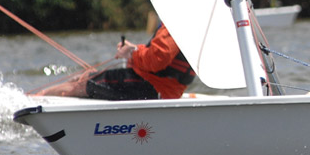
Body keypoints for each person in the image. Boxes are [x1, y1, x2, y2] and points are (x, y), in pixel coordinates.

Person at [35, 22, 195, 100]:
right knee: (83, 76)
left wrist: (131, 53)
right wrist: (134, 50)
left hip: (152, 87)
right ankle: (34, 98)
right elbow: (158, 56)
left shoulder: (176, 22)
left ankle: (30, 102)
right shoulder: (187, 22)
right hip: (157, 86)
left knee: (80, 84)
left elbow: (158, 59)